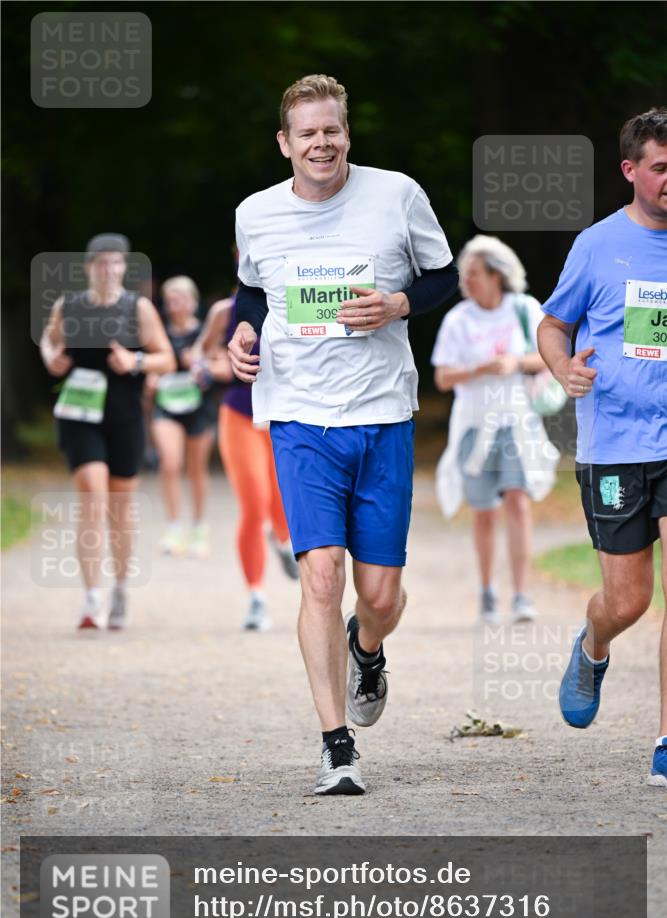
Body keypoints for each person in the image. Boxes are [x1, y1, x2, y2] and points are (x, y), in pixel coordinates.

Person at [228, 74, 458, 794]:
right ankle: (336, 744)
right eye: (307, 133)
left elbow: (443, 279)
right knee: (320, 575)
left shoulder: (396, 195)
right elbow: (252, 290)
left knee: (381, 595)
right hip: (299, 417)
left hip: (382, 414)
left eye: (331, 130)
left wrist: (397, 302)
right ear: (284, 143)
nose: (320, 142)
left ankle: (367, 647)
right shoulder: (256, 213)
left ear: (346, 134)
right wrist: (240, 329)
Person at [537, 108, 667, 787]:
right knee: (627, 602)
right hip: (615, 442)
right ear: (630, 171)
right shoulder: (596, 245)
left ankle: (666, 741)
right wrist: (563, 370)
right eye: (660, 167)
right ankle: (592, 647)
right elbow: (553, 325)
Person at [40, 233, 175, 630]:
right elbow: (49, 345)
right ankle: (91, 598)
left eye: (116, 263)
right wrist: (53, 360)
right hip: (80, 413)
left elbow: (166, 359)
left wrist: (133, 361)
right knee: (92, 496)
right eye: (101, 263)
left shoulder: (138, 309)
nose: (108, 270)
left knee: (119, 509)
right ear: (88, 268)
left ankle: (119, 587)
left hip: (124, 414)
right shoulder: (70, 306)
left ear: (124, 268)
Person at [431, 236, 559, 624]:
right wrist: (479, 369)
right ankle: (488, 591)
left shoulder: (524, 309)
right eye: (464, 275)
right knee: (484, 511)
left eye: (472, 274)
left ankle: (521, 594)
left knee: (518, 502)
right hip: (473, 424)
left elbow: (551, 355)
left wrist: (517, 362)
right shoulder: (458, 319)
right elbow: (442, 377)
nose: (465, 281)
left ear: (496, 276)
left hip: (516, 422)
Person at [194, 290, 299, 631]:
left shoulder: (296, 299)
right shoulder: (225, 310)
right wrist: (211, 367)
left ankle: (283, 541)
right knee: (255, 506)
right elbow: (201, 353)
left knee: (283, 507)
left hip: (285, 415)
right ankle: (256, 597)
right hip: (240, 415)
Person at [149, 275, 217, 558]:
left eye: (181, 298)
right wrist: (151, 377)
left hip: (199, 407)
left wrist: (200, 365)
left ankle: (199, 529)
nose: (175, 304)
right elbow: (150, 363)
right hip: (166, 405)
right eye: (171, 299)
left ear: (193, 302)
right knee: (169, 463)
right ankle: (174, 527)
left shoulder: (205, 333)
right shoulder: (159, 333)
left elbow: (219, 366)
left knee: (196, 470)